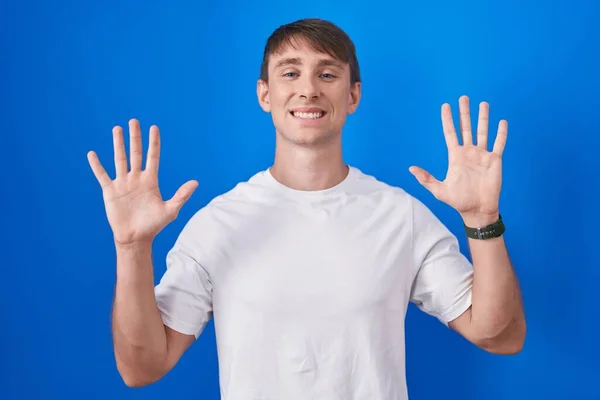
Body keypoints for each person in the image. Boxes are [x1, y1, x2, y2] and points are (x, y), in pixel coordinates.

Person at [87, 18, 526, 400]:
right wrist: (131, 246)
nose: (308, 89)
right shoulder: (218, 225)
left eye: (328, 74)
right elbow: (141, 368)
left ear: (353, 95)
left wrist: (482, 221)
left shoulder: (400, 216)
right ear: (265, 94)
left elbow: (501, 336)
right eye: (290, 72)